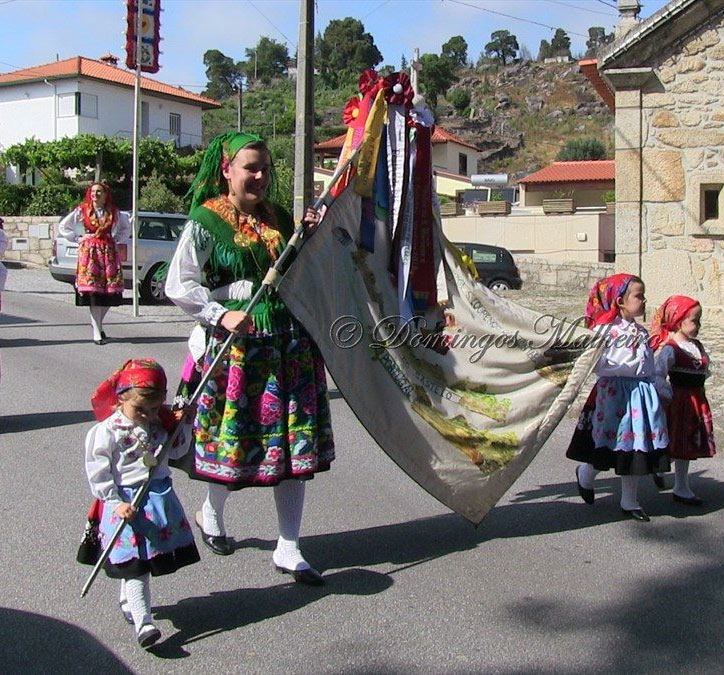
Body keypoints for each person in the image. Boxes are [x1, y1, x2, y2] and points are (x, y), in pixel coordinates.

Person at [165, 132, 334, 586]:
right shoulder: (206, 221)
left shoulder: (279, 218)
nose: (259, 176)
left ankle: (289, 545)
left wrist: (308, 236)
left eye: (264, 169)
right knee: (232, 441)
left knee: (293, 445)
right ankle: (211, 513)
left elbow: (297, 272)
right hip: (235, 350)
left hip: (288, 345)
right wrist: (220, 314)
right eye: (249, 168)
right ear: (227, 170)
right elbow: (178, 284)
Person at [85, 358, 200, 648]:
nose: (147, 415)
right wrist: (113, 501)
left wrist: (184, 424)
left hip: (156, 500)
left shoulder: (159, 425)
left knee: (140, 563)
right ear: (122, 396)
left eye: (153, 408)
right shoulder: (106, 431)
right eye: (140, 409)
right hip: (124, 503)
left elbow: (177, 451)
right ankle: (144, 623)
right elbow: (97, 472)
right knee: (136, 566)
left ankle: (128, 600)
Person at [566, 273, 670, 522]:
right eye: (639, 295)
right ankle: (586, 475)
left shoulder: (641, 332)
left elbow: (649, 365)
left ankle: (630, 500)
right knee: (607, 448)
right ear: (621, 300)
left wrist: (658, 386)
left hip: (639, 397)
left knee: (635, 449)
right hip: (614, 397)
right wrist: (619, 367)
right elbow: (596, 364)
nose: (644, 300)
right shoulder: (605, 331)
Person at [651, 296, 715, 505]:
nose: (698, 325)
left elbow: (704, 369)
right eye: (694, 320)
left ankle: (679, 485)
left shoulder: (697, 346)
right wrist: (666, 394)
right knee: (678, 441)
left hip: (697, 401)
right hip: (679, 403)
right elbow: (658, 373)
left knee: (685, 443)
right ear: (679, 320)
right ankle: (672, 478)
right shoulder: (672, 348)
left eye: (699, 320)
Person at [58, 182, 131, 344]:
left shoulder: (114, 212)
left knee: (110, 293)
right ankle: (97, 331)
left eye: (99, 192)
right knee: (94, 294)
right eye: (93, 192)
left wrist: (116, 240)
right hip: (90, 253)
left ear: (105, 195)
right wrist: (78, 238)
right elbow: (64, 226)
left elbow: (126, 228)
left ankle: (98, 324)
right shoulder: (82, 210)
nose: (95, 195)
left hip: (108, 253)